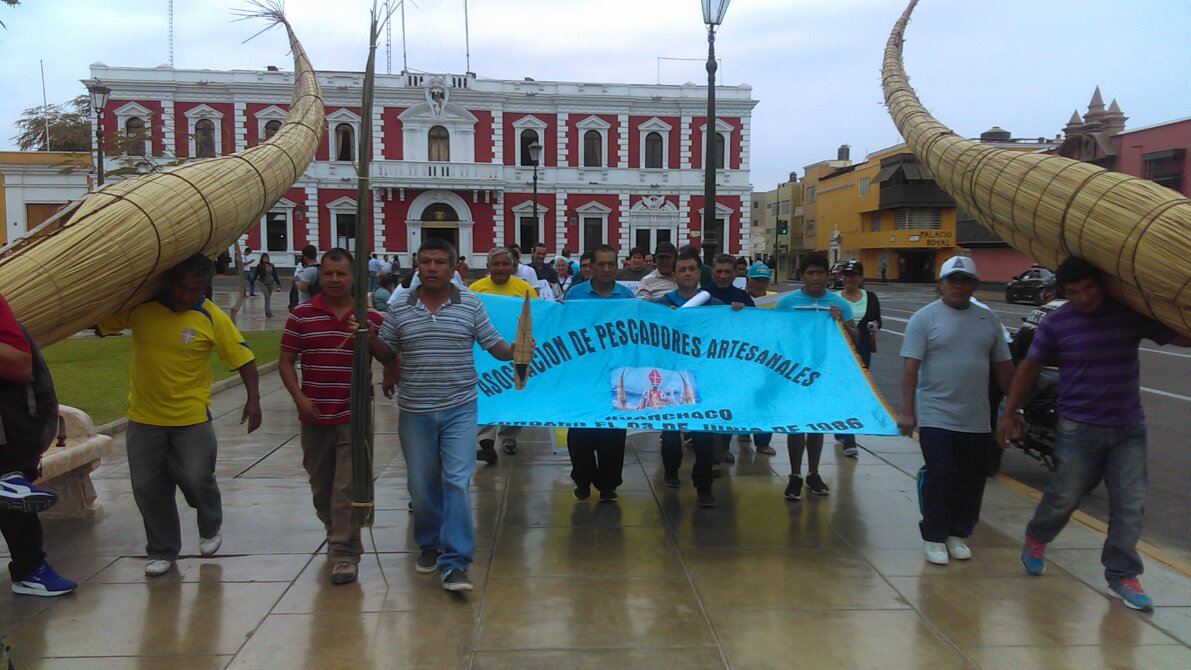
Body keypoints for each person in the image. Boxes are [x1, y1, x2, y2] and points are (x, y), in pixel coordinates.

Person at [997, 257, 1189, 611]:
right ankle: (1038, 535)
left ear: (1101, 284)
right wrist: (1009, 413)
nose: (1085, 297)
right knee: (1065, 497)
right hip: (1077, 426)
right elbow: (1028, 368)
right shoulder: (1057, 323)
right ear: (1063, 293)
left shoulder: (1129, 313)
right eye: (1075, 292)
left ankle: (1121, 573)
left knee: (1130, 505)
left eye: (1089, 288)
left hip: (1128, 426)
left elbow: (1177, 334)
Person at [370, 238, 523, 592]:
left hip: (460, 408)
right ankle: (429, 544)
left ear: (454, 269)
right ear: (416, 266)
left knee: (456, 481)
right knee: (422, 487)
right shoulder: (401, 306)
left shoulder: (469, 303)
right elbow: (388, 350)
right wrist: (367, 337)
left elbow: (494, 345)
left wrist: (515, 350)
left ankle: (455, 562)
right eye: (426, 261)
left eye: (440, 262)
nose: (432, 268)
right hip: (415, 410)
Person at [97, 254, 262, 576]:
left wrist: (253, 400)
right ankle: (162, 550)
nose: (187, 295)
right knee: (148, 487)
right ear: (169, 282)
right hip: (144, 417)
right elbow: (100, 322)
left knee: (196, 476)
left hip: (191, 418)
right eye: (182, 287)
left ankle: (210, 524)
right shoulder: (141, 308)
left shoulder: (210, 316)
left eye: (195, 289)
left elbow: (244, 359)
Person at [279, 248, 387, 585]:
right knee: (321, 486)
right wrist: (299, 399)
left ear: (354, 276)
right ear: (320, 276)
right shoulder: (302, 315)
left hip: (353, 414)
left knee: (346, 486)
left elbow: (388, 356)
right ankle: (336, 531)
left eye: (341, 274)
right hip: (314, 414)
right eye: (329, 274)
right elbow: (285, 360)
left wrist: (369, 337)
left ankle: (344, 552)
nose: (335, 280)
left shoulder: (369, 317)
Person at [899, 255, 1013, 567]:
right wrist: (908, 412)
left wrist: (1013, 410)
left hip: (976, 418)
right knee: (941, 473)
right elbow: (911, 368)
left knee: (972, 479)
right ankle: (934, 536)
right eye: (952, 280)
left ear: (974, 285)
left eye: (965, 281)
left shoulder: (988, 320)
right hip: (937, 415)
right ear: (941, 284)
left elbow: (1004, 368)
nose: (958, 286)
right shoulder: (924, 319)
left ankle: (958, 532)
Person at [0, 291, 77, 597]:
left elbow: (20, 367)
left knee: (13, 499)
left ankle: (30, 570)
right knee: (11, 497)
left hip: (17, 429)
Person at [775, 253, 859, 500]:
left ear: (827, 276)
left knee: (817, 425)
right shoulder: (787, 303)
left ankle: (813, 472)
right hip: (793, 372)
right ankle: (794, 475)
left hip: (824, 373)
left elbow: (856, 339)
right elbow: (775, 336)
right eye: (809, 273)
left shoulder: (840, 304)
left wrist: (842, 322)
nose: (814, 277)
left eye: (819, 272)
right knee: (796, 425)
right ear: (802, 276)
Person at [654, 249, 727, 508]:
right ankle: (671, 470)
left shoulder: (716, 306)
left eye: (692, 269)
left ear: (699, 273)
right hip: (671, 378)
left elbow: (728, 336)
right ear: (673, 275)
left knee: (705, 435)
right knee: (671, 433)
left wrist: (738, 313)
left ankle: (704, 484)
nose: (687, 273)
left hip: (704, 377)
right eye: (682, 269)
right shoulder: (661, 305)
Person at [563, 245, 634, 502]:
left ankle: (608, 485)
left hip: (617, 376)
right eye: (600, 264)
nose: (606, 269)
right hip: (582, 375)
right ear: (590, 267)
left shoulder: (627, 298)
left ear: (617, 266)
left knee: (613, 434)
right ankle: (582, 479)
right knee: (580, 432)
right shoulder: (575, 295)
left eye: (610, 264)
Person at [468, 248, 537, 462]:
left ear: (513, 266)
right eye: (495, 264)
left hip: (517, 351)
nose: (500, 268)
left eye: (505, 264)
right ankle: (485, 442)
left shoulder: (524, 289)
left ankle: (509, 437)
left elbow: (540, 315)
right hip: (483, 352)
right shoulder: (475, 289)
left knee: (515, 393)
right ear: (488, 267)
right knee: (486, 392)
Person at [833, 259, 882, 458]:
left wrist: (874, 326)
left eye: (853, 275)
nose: (849, 279)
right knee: (846, 392)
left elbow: (879, 320)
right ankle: (848, 438)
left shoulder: (871, 297)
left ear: (860, 278)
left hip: (862, 353)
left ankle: (842, 430)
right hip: (839, 354)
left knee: (854, 391)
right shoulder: (834, 299)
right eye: (846, 275)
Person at [740, 261, 777, 456]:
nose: (760, 284)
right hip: (745, 357)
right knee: (745, 395)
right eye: (757, 280)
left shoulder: (777, 300)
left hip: (768, 357)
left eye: (764, 280)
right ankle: (743, 430)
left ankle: (763, 441)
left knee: (765, 398)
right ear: (749, 280)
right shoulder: (741, 299)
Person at [252, 252, 283, 318]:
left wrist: (278, 283)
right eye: (264, 258)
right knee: (267, 296)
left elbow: (275, 274)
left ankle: (267, 312)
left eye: (267, 258)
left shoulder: (271, 265)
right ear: (262, 259)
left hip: (270, 283)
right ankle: (268, 312)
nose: (266, 259)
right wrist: (252, 281)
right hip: (262, 283)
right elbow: (256, 274)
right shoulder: (260, 266)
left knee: (268, 298)